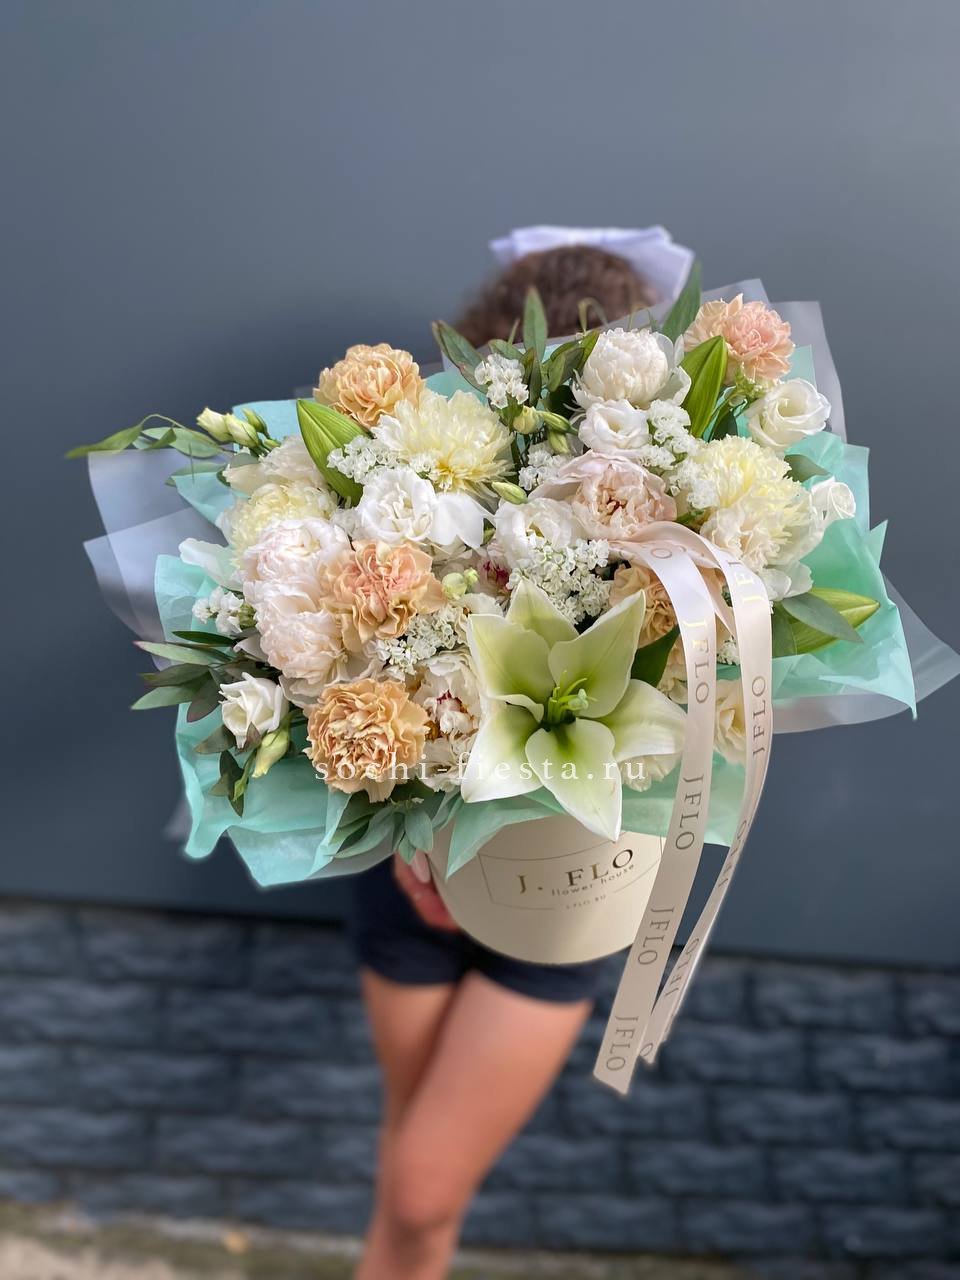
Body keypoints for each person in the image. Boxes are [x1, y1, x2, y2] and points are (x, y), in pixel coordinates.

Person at [350, 234, 669, 1280]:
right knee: (410, 1188)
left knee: (420, 1185)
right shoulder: (430, 501)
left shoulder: (668, 533)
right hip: (417, 876)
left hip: (559, 898)